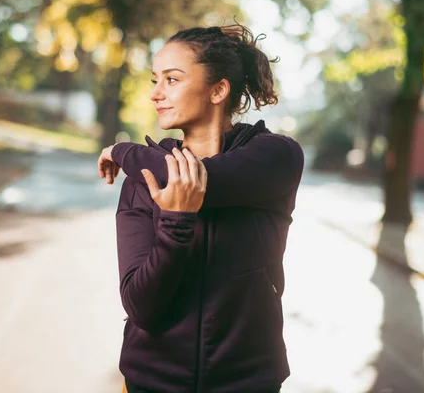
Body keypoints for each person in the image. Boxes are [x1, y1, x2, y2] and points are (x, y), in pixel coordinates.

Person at [97, 21, 304, 393]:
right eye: (154, 80)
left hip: (248, 383)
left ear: (218, 90)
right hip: (151, 383)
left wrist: (121, 150)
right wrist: (176, 225)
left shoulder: (275, 157)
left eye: (172, 80)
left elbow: (202, 179)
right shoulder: (141, 183)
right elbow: (141, 306)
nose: (156, 94)